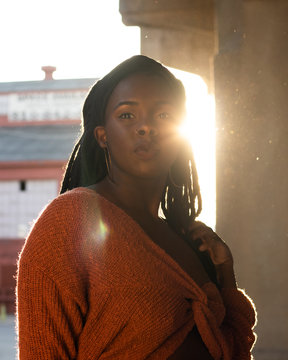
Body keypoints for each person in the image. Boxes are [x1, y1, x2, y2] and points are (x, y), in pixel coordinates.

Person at [16, 55, 257, 359]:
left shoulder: (188, 240)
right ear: (102, 136)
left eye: (164, 115)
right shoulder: (69, 222)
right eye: (127, 115)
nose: (146, 127)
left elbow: (233, 350)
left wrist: (225, 276)